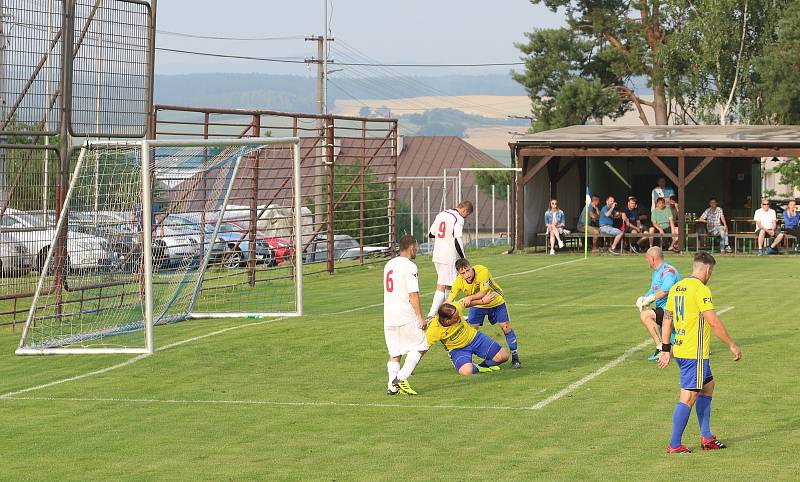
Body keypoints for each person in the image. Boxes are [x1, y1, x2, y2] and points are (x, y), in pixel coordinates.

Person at [659, 252, 742, 453]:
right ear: (706, 269)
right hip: (693, 352)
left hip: (681, 348)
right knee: (688, 397)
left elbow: (667, 319)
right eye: (711, 272)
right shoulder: (701, 289)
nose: (710, 275)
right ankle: (675, 445)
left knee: (708, 386)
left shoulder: (677, 287)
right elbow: (713, 321)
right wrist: (731, 344)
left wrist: (665, 348)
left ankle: (706, 437)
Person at [448, 258, 521, 369]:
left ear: (471, 266)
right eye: (463, 273)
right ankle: (467, 361)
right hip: (478, 305)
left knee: (506, 327)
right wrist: (440, 314)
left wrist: (468, 298)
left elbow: (483, 293)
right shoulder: (458, 281)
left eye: (468, 270)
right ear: (459, 274)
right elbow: (450, 300)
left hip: (495, 301)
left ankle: (515, 358)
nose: (467, 275)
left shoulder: (482, 271)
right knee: (471, 332)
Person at [383, 235, 428, 395]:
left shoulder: (389, 264)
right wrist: (420, 318)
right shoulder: (410, 266)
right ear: (411, 247)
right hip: (405, 314)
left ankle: (391, 387)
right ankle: (400, 379)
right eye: (415, 246)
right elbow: (413, 295)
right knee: (422, 346)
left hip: (388, 315)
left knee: (395, 352)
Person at [426, 302, 510, 376]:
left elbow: (467, 301)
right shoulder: (434, 329)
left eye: (458, 315)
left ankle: (483, 365)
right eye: (455, 318)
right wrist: (412, 365)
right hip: (458, 349)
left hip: (475, 338)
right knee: (467, 372)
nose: (459, 318)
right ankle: (476, 368)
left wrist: (483, 301)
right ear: (446, 321)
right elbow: (422, 348)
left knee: (503, 357)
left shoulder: (455, 307)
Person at [425, 200, 473, 319]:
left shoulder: (441, 214)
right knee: (445, 285)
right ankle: (432, 315)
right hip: (449, 257)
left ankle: (450, 313)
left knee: (448, 285)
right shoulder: (458, 218)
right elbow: (458, 239)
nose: (466, 217)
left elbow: (431, 233)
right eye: (467, 214)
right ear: (464, 210)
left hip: (437, 254)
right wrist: (463, 258)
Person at [635, 247, 680, 360]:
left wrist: (650, 299)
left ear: (653, 258)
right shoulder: (657, 272)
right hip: (665, 310)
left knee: (645, 315)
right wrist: (644, 298)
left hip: (672, 311)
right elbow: (654, 290)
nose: (646, 260)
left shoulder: (668, 271)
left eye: (647, 258)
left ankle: (661, 348)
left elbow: (665, 291)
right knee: (674, 342)